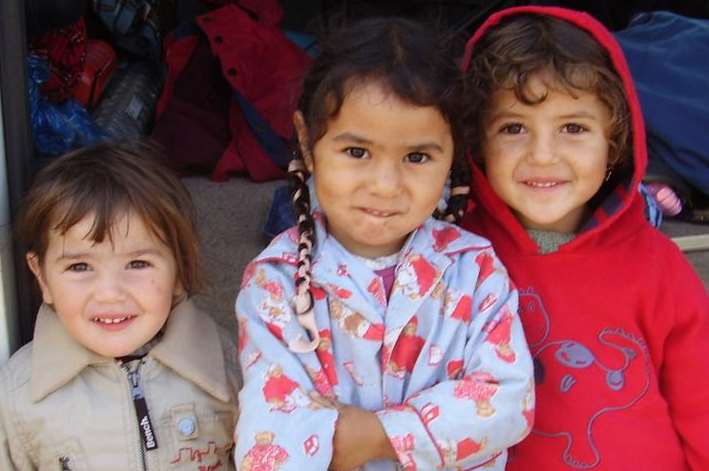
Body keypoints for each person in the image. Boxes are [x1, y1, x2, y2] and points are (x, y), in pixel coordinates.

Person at [234, 17, 534, 471]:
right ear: (306, 141)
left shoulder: (474, 269)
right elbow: (270, 433)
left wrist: (381, 436)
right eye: (357, 152)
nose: (385, 185)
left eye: (417, 157)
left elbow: (509, 402)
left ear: (453, 153)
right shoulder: (274, 283)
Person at [461, 6, 709, 470]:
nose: (543, 154)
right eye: (513, 128)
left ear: (615, 142)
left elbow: (702, 406)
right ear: (476, 142)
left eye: (573, 128)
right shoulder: (455, 264)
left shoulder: (658, 267)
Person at [0, 142, 240, 470]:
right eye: (80, 267)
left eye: (138, 264)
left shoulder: (228, 367)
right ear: (42, 278)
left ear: (180, 271)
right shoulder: (17, 395)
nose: (110, 293)